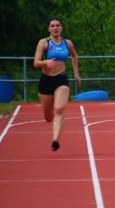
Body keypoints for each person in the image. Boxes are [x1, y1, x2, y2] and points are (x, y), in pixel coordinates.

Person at [33, 18, 81, 151]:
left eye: (58, 26)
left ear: (61, 28)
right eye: (52, 26)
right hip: (46, 81)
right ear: (49, 29)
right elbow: (35, 63)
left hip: (61, 80)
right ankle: (56, 121)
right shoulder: (44, 43)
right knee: (48, 117)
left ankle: (55, 140)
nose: (55, 28)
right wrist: (45, 63)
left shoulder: (67, 43)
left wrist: (76, 73)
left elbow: (74, 56)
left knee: (59, 109)